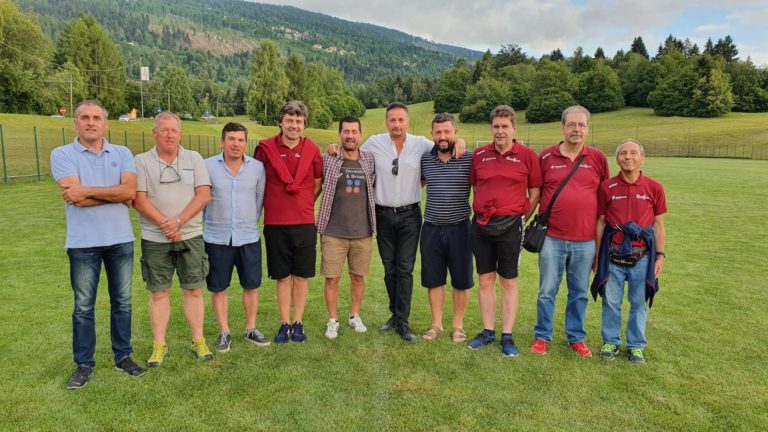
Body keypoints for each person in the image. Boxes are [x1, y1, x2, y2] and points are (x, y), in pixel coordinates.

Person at [51, 100, 145, 389]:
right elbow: (75, 199)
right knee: (83, 306)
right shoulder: (62, 154)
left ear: (105, 124)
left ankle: (123, 357)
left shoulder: (122, 153)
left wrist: (87, 191)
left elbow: (129, 192)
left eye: (96, 118)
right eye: (84, 117)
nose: (91, 122)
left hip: (120, 240)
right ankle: (84, 364)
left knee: (123, 303)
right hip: (83, 243)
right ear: (75, 123)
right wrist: (115, 195)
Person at [359, 102, 464, 343]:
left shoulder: (421, 144)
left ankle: (403, 322)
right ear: (387, 122)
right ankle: (394, 315)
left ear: (408, 122)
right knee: (389, 267)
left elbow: (444, 144)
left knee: (405, 267)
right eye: (392, 120)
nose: (397, 124)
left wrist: (459, 141)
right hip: (383, 214)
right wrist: (335, 147)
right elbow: (354, 155)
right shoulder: (374, 143)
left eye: (401, 120)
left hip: (409, 216)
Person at [133, 111, 213, 366]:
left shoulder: (194, 158)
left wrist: (178, 221)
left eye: (174, 130)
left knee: (194, 289)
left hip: (190, 235)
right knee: (159, 292)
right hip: (155, 238)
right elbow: (139, 200)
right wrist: (165, 225)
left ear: (180, 133)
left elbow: (203, 195)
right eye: (164, 130)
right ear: (154, 133)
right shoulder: (141, 161)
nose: (170, 135)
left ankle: (198, 341)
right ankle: (159, 345)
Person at [530, 106, 610, 357]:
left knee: (579, 293)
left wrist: (600, 246)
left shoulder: (598, 158)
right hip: (551, 238)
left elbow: (604, 204)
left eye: (581, 125)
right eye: (572, 124)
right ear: (562, 127)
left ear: (588, 128)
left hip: (585, 241)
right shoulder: (545, 157)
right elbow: (535, 192)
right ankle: (542, 336)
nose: (577, 129)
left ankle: (576, 337)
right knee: (547, 291)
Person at [468, 105, 541, 357]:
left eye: (505, 126)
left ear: (514, 129)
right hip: (482, 225)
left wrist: (519, 219)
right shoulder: (479, 155)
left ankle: (507, 335)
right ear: (491, 128)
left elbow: (535, 193)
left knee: (508, 280)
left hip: (511, 226)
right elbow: (476, 187)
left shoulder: (527, 155)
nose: (500, 131)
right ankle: (488, 331)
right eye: (496, 126)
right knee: (485, 279)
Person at [592, 139, 666, 364]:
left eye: (633, 153)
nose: (628, 157)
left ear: (642, 158)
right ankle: (611, 342)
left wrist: (660, 255)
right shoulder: (607, 187)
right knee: (611, 301)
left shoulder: (654, 187)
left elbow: (658, 225)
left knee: (639, 301)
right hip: (612, 254)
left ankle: (636, 345)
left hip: (642, 256)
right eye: (623, 153)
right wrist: (597, 255)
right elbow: (600, 222)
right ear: (617, 159)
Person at [254, 100, 322, 344]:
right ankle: (284, 322)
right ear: (281, 122)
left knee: (301, 276)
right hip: (275, 223)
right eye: (290, 120)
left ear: (304, 124)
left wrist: (302, 204)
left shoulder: (312, 150)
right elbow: (257, 180)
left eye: (299, 121)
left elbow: (317, 183)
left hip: (304, 222)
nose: (294, 125)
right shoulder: (266, 149)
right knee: (282, 277)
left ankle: (298, 322)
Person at [203, 122, 269, 352]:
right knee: (218, 287)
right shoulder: (207, 166)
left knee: (251, 284)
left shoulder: (257, 168)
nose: (236, 144)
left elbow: (259, 200)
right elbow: (202, 199)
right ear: (222, 141)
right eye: (231, 139)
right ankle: (224, 332)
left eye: (241, 140)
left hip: (247, 236)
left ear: (245, 143)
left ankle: (251, 328)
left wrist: (247, 221)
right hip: (216, 237)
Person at [316, 116, 376, 339]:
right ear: (340, 134)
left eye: (354, 132)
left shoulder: (369, 159)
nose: (350, 136)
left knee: (358, 277)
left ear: (360, 134)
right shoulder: (328, 158)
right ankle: (333, 320)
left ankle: (354, 315)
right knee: (332, 278)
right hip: (333, 232)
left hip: (362, 231)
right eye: (346, 132)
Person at [419, 113, 473, 343]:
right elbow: (419, 183)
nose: (442, 136)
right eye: (438, 132)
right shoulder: (425, 160)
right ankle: (436, 324)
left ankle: (458, 326)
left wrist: (462, 144)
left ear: (455, 132)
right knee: (434, 279)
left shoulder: (468, 158)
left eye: (447, 132)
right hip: (431, 228)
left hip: (460, 228)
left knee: (461, 280)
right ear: (432, 134)